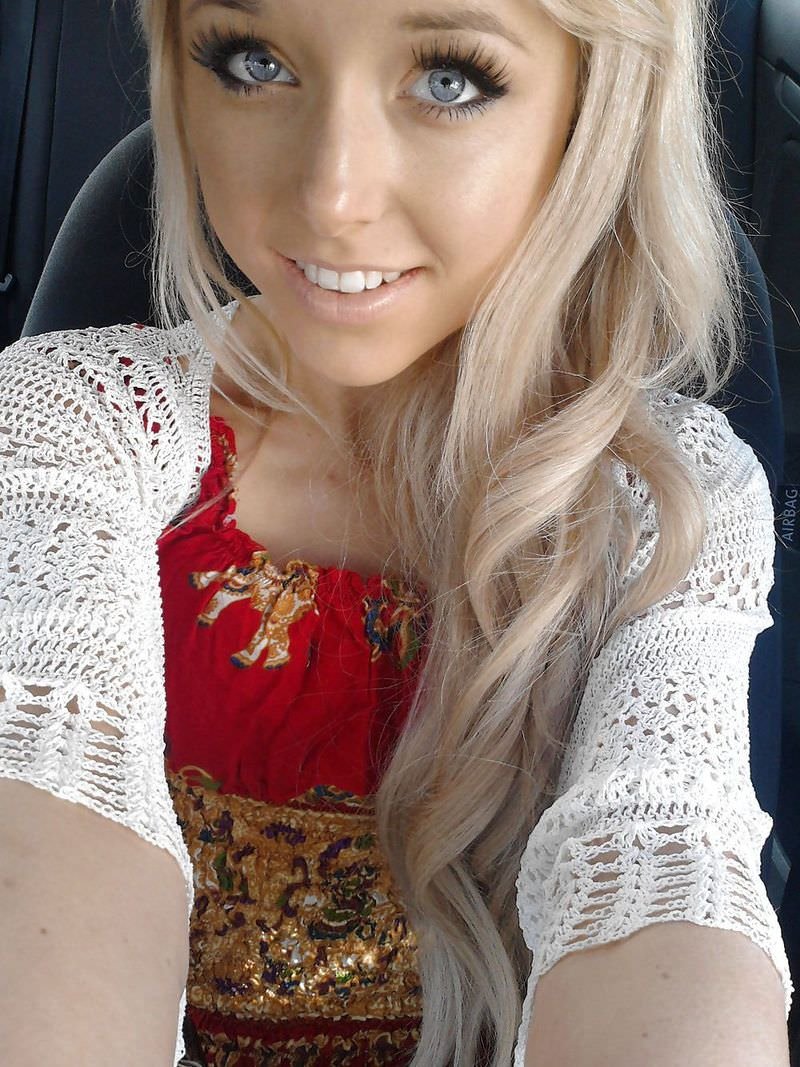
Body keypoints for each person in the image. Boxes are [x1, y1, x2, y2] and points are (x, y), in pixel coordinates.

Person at [0, 0, 794, 1064]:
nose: (332, 197)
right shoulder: (62, 422)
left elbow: (666, 861)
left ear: (591, 104)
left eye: (450, 80)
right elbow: (41, 774)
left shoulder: (668, 495)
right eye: (253, 61)